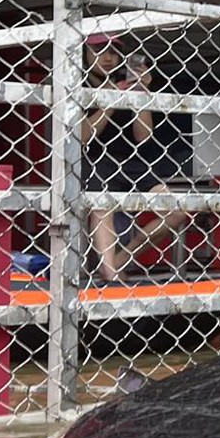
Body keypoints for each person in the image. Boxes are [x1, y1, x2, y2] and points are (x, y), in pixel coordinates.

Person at [80, 35, 190, 281]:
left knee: (176, 211)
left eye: (113, 52)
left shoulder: (125, 83)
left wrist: (141, 94)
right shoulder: (78, 83)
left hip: (132, 161)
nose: (108, 57)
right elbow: (83, 137)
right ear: (85, 53)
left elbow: (144, 135)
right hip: (95, 159)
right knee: (102, 204)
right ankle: (110, 271)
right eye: (99, 50)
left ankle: (121, 259)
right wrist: (109, 103)